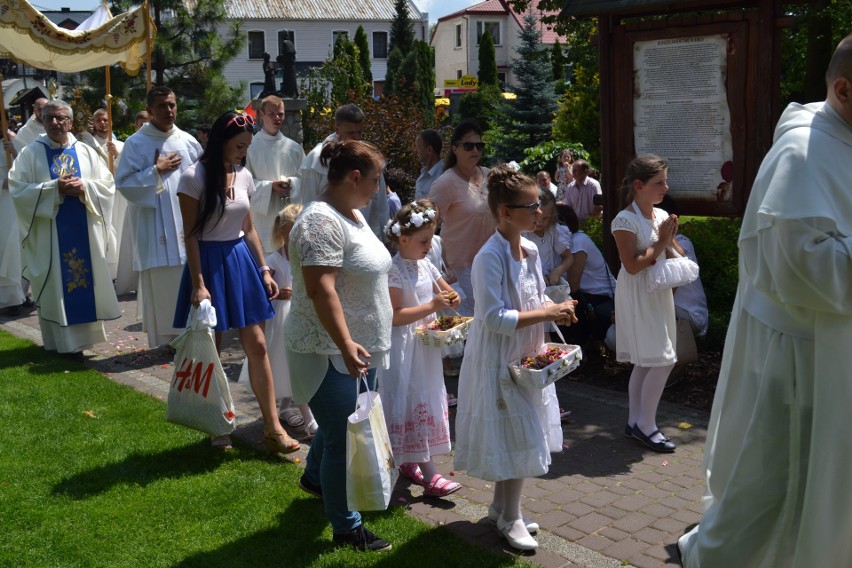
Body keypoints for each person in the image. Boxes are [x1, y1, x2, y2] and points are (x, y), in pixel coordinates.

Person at [678, 34, 852, 567]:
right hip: (799, 359)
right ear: (844, 89)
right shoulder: (803, 152)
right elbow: (797, 270)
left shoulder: (841, 137)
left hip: (828, 349)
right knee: (775, 480)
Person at [454, 165, 576, 551]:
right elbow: (492, 317)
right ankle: (511, 516)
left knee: (522, 431)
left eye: (539, 203)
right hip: (498, 356)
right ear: (505, 212)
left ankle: (501, 508)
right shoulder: (488, 257)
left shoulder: (533, 249)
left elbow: (535, 296)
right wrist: (546, 314)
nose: (539, 211)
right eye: (530, 206)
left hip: (527, 354)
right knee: (516, 434)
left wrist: (558, 305)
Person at [172, 110, 300, 454]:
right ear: (221, 141)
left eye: (247, 146)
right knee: (211, 351)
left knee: (257, 346)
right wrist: (199, 284)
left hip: (241, 262)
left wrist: (263, 270)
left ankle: (273, 428)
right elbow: (192, 235)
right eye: (239, 145)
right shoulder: (192, 177)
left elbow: (249, 229)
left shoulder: (243, 175)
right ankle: (218, 425)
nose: (244, 152)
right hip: (208, 265)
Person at [286, 140, 393, 552]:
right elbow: (320, 288)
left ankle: (314, 480)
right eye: (374, 180)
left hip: (356, 349)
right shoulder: (320, 222)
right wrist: (346, 343)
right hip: (327, 350)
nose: (376, 189)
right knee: (342, 439)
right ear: (353, 177)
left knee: (335, 433)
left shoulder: (351, 214)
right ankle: (346, 526)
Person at [8, 99, 120, 356]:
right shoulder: (31, 153)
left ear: (70, 121)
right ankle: (62, 343)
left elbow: (107, 185)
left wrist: (86, 188)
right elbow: (18, 190)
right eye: (49, 118)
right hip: (50, 236)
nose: (55, 123)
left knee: (83, 284)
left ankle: (84, 341)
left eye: (61, 118)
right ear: (43, 122)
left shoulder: (85, 151)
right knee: (57, 285)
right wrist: (53, 188)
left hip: (84, 231)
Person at [381, 199, 462, 498]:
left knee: (426, 399)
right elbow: (395, 314)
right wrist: (431, 305)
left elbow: (445, 289)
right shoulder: (393, 271)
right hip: (405, 351)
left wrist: (452, 298)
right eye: (424, 240)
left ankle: (409, 462)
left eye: (431, 239)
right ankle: (430, 475)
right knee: (410, 401)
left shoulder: (426, 263)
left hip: (426, 349)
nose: (430, 245)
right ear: (403, 240)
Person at [115, 87, 203, 348]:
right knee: (165, 288)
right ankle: (170, 341)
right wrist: (155, 171)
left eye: (172, 105)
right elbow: (124, 183)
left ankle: (192, 337)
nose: (169, 111)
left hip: (187, 225)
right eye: (163, 106)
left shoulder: (188, 142)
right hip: (156, 229)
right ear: (150, 110)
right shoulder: (135, 143)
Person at [611, 155, 682, 453]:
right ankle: (647, 425)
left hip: (658, 292)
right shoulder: (624, 220)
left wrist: (673, 242)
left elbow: (672, 250)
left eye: (665, 181)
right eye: (659, 182)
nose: (665, 187)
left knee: (647, 360)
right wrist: (663, 243)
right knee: (663, 359)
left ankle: (635, 421)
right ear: (639, 186)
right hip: (639, 292)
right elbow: (631, 265)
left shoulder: (661, 215)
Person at [239, 203, 317, 436]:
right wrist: (278, 293)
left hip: (303, 312)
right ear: (282, 231)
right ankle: (309, 418)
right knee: (286, 363)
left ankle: (285, 406)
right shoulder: (273, 261)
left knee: (299, 364)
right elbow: (262, 290)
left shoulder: (306, 257)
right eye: (292, 232)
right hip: (282, 316)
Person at [427, 119, 495, 316]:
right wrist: (439, 267)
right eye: (468, 145)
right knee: (469, 330)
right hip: (460, 269)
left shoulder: (490, 176)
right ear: (455, 148)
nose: (475, 150)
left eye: (479, 145)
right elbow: (429, 226)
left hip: (489, 264)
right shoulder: (445, 183)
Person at [297, 104, 389, 239]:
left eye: (359, 132)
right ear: (337, 129)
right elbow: (308, 203)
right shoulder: (316, 159)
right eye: (351, 133)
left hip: (364, 234)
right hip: (330, 236)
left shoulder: (369, 157)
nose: (357, 138)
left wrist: (386, 237)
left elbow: (380, 203)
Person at [245, 95, 305, 254]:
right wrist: (269, 187)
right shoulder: (250, 147)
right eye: (271, 113)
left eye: (280, 114)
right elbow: (244, 183)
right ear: (261, 115)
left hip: (289, 214)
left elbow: (305, 180)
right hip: (262, 217)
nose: (277, 118)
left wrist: (292, 184)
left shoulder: (294, 148)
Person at [558, 204, 616, 347]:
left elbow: (573, 285)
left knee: (569, 301)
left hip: (603, 298)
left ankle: (580, 348)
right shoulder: (570, 240)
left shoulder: (578, 241)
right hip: (591, 296)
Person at [81, 108, 126, 281]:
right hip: (98, 195)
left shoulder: (121, 145)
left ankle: (118, 272)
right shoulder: (86, 146)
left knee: (119, 231)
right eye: (99, 120)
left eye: (106, 119)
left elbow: (127, 169)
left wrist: (116, 154)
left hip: (119, 195)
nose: (103, 123)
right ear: (94, 122)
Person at [523, 188, 573, 285]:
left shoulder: (553, 231)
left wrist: (557, 271)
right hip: (531, 284)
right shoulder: (523, 234)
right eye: (536, 217)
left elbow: (568, 257)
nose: (540, 222)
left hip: (550, 284)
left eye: (545, 218)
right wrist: (537, 276)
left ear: (552, 215)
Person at [0, 138, 25, 314]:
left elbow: (25, 168)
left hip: (12, 201)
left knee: (14, 249)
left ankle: (14, 297)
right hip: (2, 196)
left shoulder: (14, 142)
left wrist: (15, 152)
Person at [414, 129, 444, 200]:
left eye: (418, 147)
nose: (415, 151)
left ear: (429, 150)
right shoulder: (423, 174)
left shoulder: (443, 176)